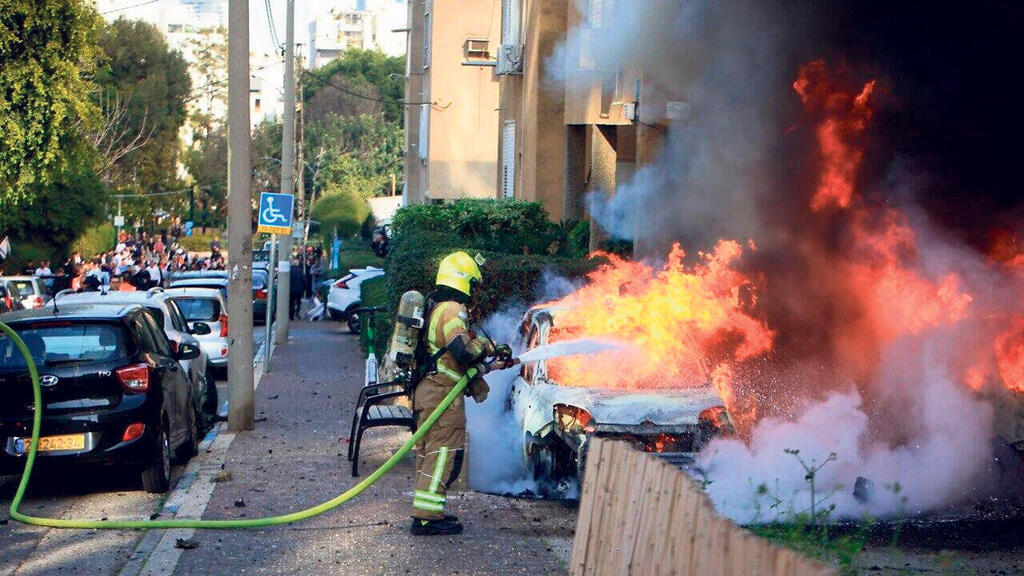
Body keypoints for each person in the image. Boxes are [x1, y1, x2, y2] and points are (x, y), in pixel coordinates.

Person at [409, 251, 508, 536]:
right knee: (444, 455)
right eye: (473, 284)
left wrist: (489, 363)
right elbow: (462, 351)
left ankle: (427, 512)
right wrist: (486, 349)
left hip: (430, 392)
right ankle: (427, 518)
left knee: (430, 454)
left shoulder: (436, 306)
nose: (474, 291)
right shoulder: (453, 309)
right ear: (463, 280)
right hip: (441, 396)